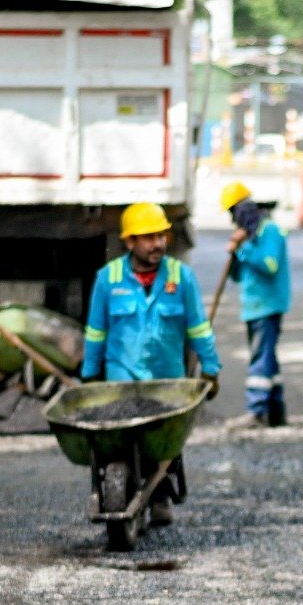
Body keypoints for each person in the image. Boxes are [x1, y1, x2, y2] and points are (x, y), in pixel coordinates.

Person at [81, 202, 221, 525]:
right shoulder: (108, 279)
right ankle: (126, 486)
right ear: (129, 242)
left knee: (162, 441)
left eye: (161, 236)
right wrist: (89, 375)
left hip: (167, 383)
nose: (157, 244)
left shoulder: (181, 277)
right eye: (148, 237)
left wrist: (211, 368)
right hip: (122, 381)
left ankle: (160, 493)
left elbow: (199, 328)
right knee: (120, 440)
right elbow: (96, 332)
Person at [220, 181, 292, 429]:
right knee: (267, 357)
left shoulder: (270, 231)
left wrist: (245, 250)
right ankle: (276, 411)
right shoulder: (247, 238)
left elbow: (270, 265)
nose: (233, 220)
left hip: (268, 306)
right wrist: (235, 252)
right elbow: (237, 276)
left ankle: (257, 410)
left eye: (233, 213)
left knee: (260, 357)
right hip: (252, 307)